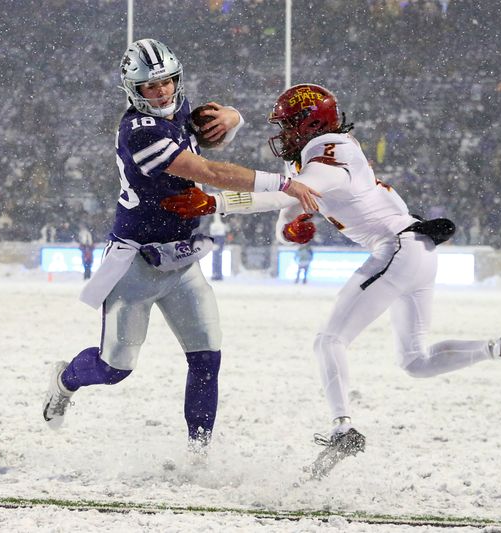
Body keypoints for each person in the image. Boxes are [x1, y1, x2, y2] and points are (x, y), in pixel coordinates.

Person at [161, 84, 501, 476]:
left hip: (398, 248)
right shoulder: (307, 160)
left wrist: (217, 201)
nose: (284, 136)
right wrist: (290, 231)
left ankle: (342, 428)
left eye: (290, 126)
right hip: (416, 250)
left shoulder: (332, 148)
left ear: (312, 124)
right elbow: (287, 209)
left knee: (329, 340)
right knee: (416, 361)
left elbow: (286, 195)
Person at [42, 39, 319, 454]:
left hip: (183, 259)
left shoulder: (177, 115)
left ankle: (198, 454)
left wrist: (233, 116)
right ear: (133, 89)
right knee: (114, 367)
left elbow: (213, 128)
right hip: (136, 262)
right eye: (151, 87)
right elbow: (208, 169)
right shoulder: (140, 132)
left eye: (168, 82)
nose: (163, 92)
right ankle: (65, 380)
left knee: (207, 358)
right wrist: (282, 182)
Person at [208, 213, 228, 281]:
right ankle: (217, 274)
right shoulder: (219, 225)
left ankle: (217, 274)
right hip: (218, 240)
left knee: (217, 260)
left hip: (218, 240)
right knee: (217, 259)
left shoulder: (216, 225)